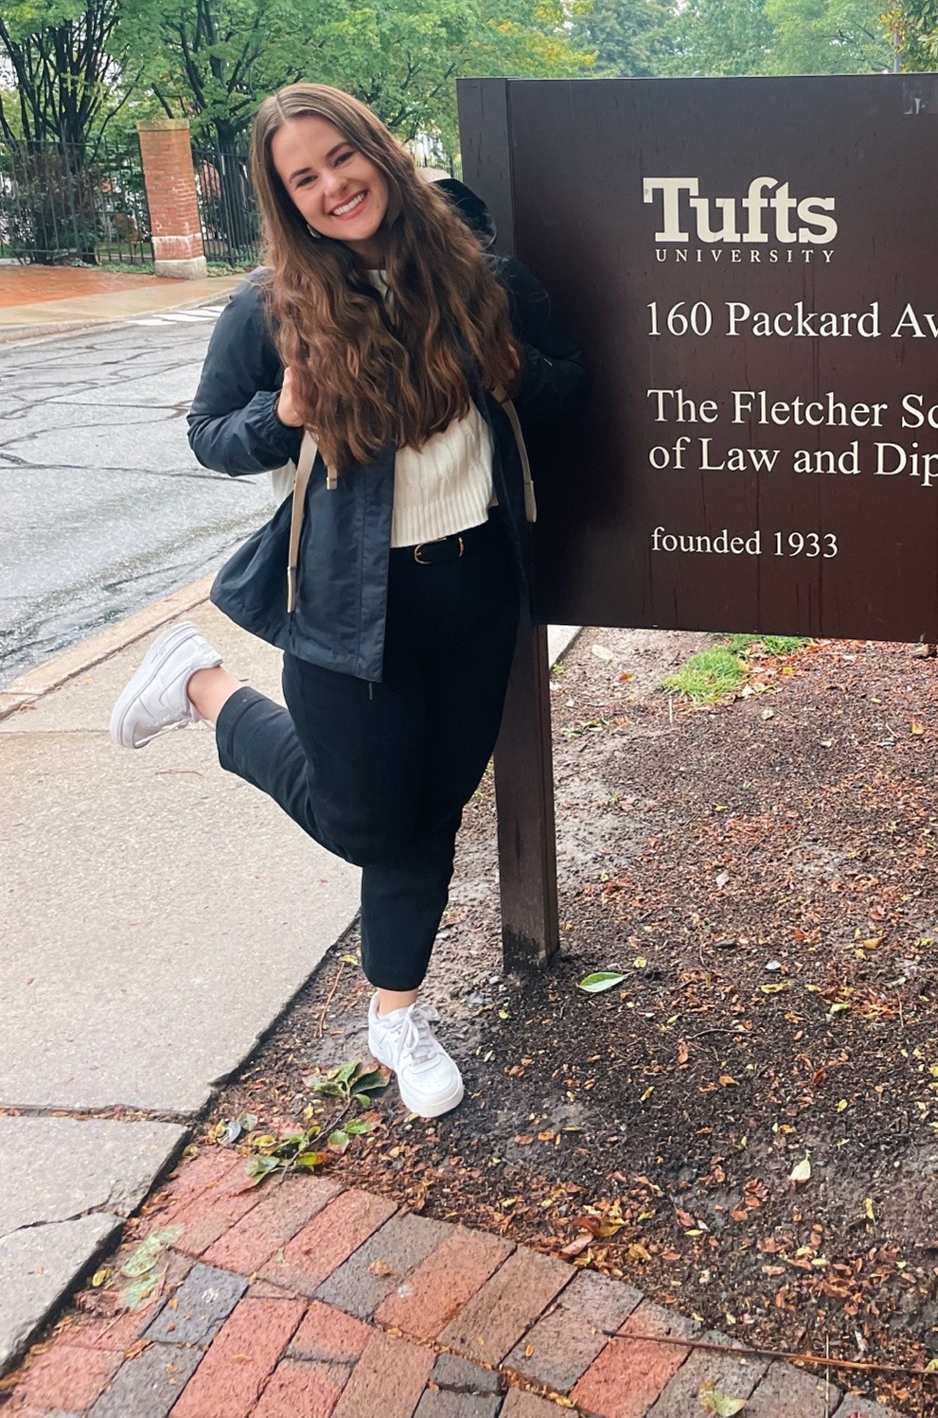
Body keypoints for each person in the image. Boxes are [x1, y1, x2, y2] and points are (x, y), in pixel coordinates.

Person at [109, 84, 585, 1117]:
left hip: (474, 589)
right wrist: (281, 412)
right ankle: (202, 685)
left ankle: (394, 1016)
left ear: (376, 148)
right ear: (286, 198)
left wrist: (513, 371)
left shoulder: (479, 273)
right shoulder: (270, 306)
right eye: (303, 177)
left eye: (340, 157)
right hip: (342, 599)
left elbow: (569, 384)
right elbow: (210, 435)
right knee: (368, 821)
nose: (332, 185)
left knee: (429, 816)